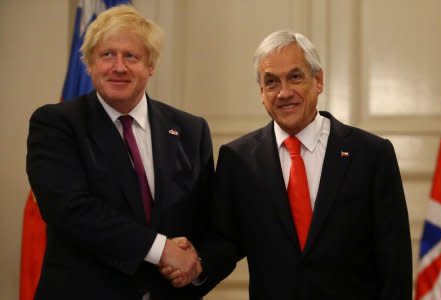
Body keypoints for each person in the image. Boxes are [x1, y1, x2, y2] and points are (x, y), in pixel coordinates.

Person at [192, 30, 413, 299]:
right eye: (271, 82)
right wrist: (192, 265)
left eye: (295, 77)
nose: (284, 92)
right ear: (262, 92)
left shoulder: (372, 154)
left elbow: (395, 264)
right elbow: (224, 243)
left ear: (318, 81)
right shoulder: (238, 160)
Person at [26, 5, 209, 300]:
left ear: (151, 65)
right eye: (107, 55)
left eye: (132, 56)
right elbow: (69, 209)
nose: (119, 67)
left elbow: (206, 219)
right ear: (89, 64)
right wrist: (162, 249)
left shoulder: (190, 130)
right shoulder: (56, 124)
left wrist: (196, 263)